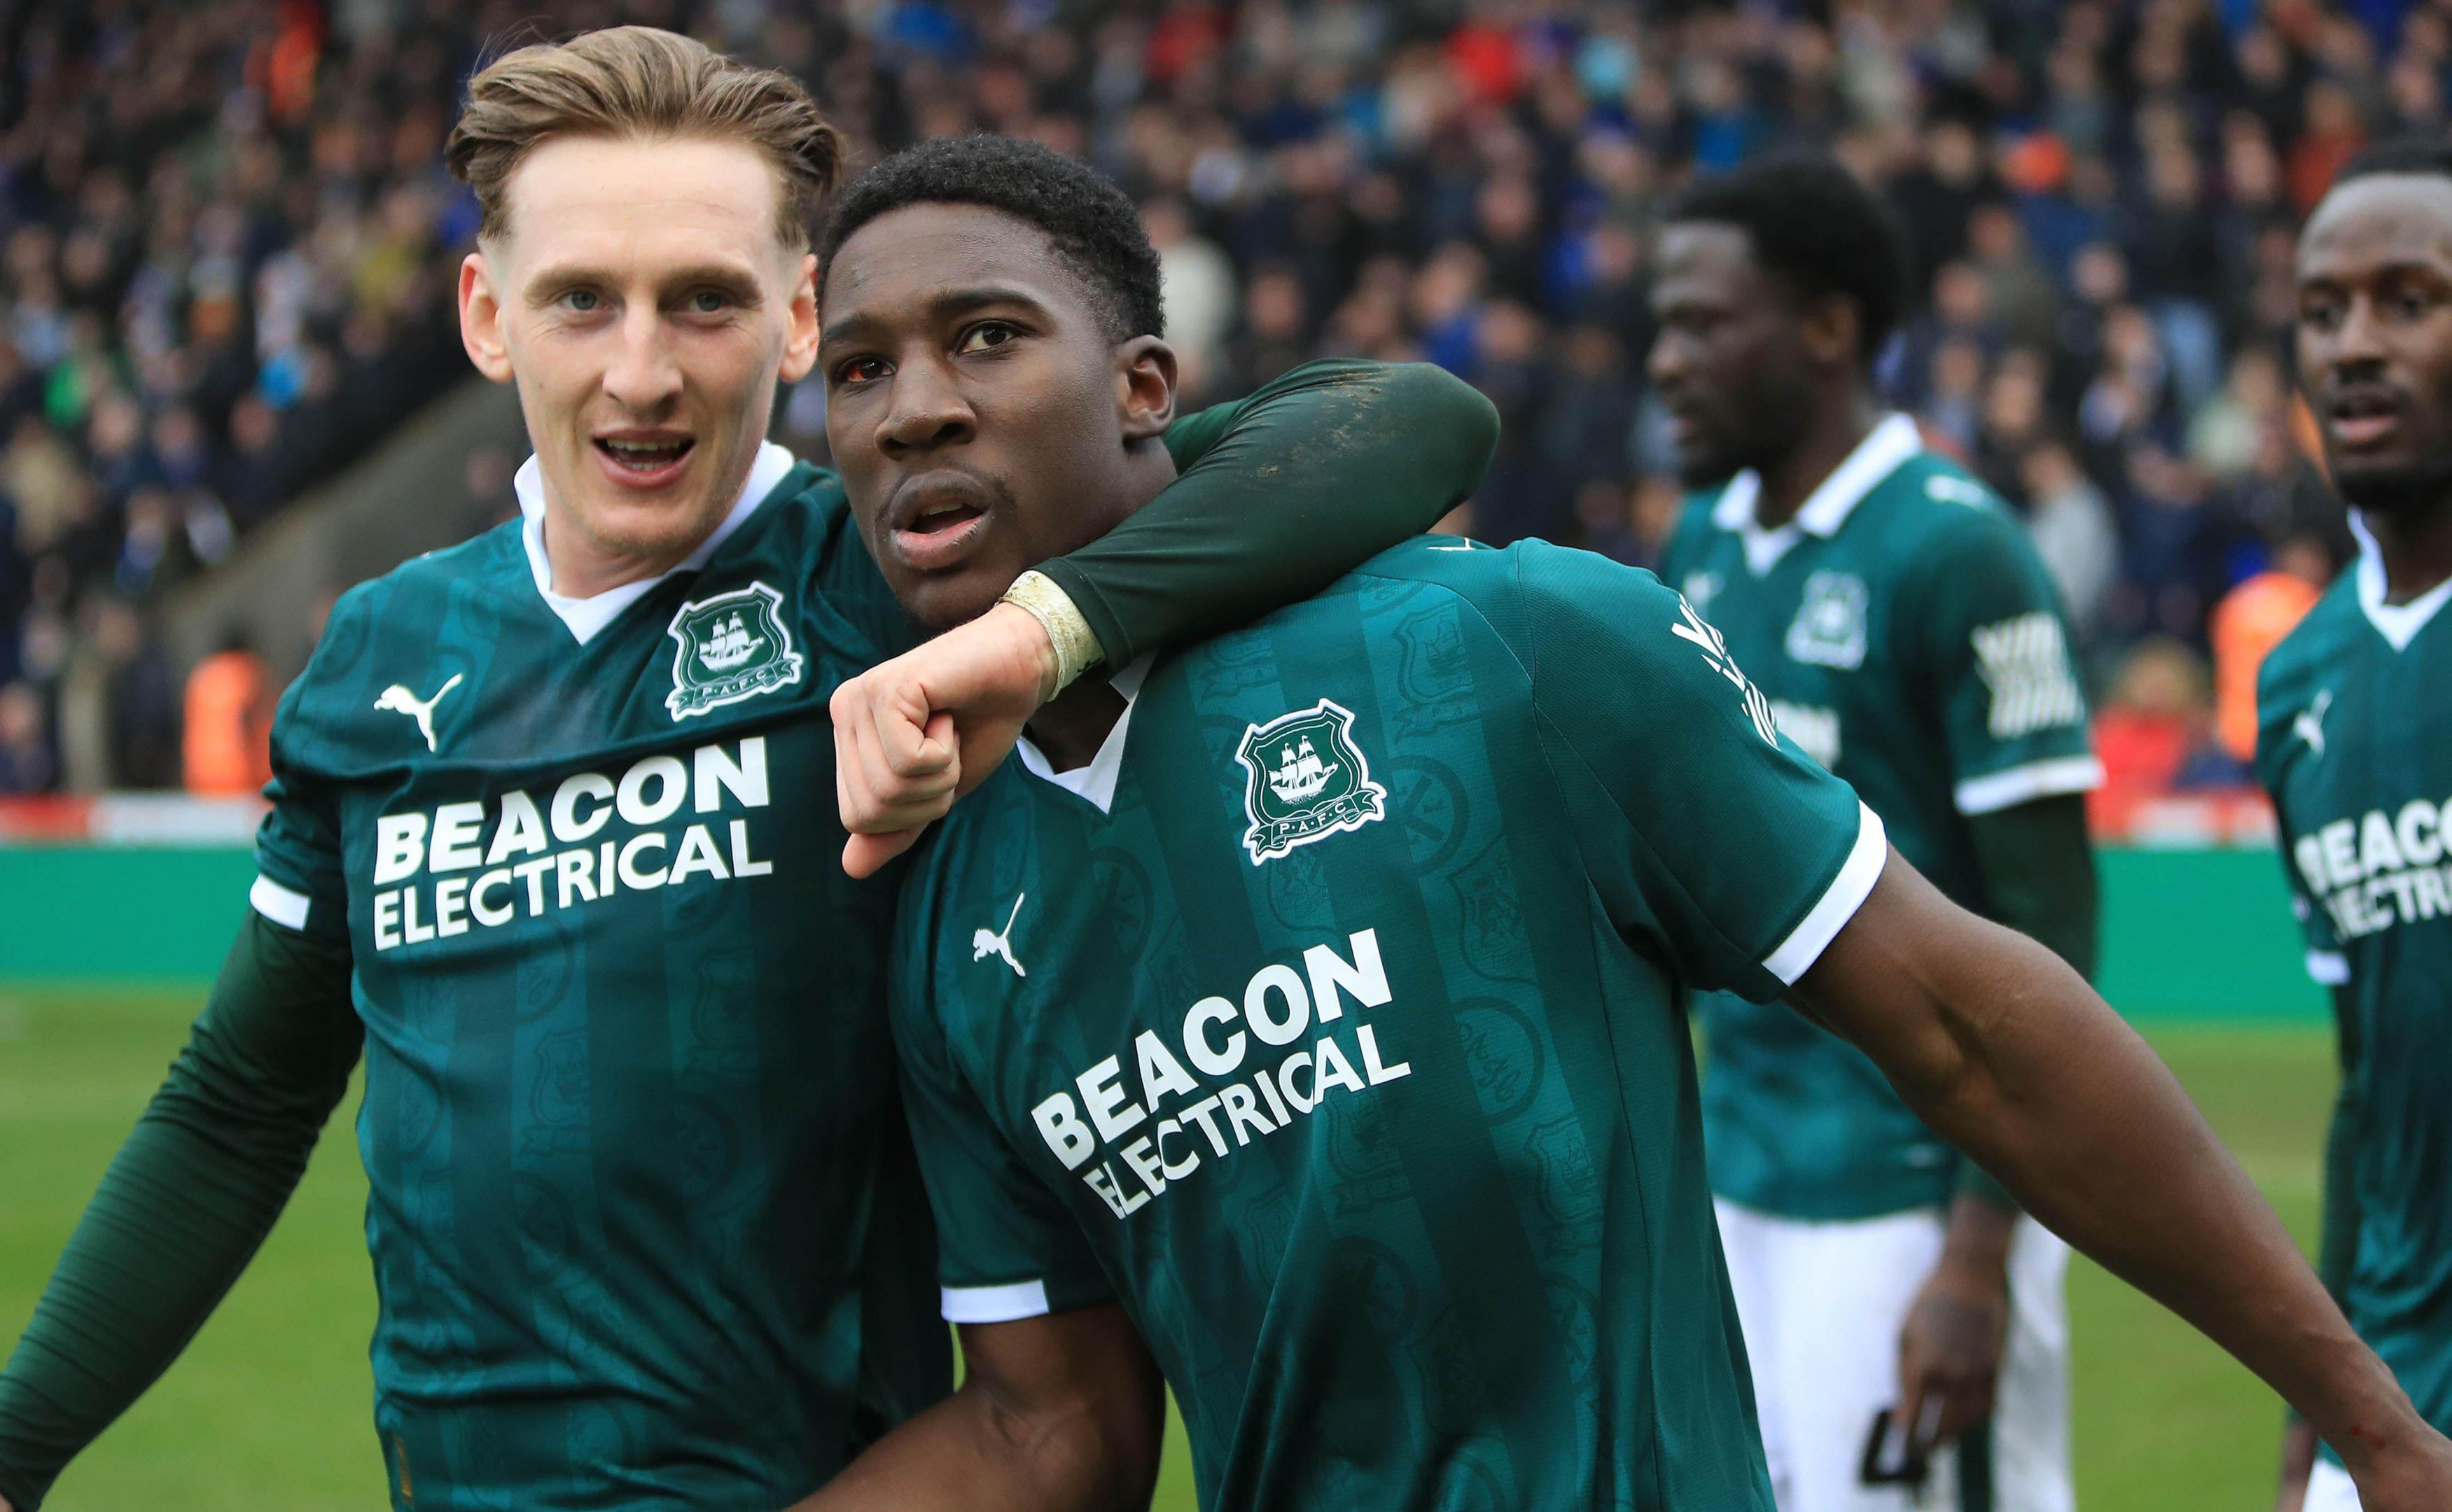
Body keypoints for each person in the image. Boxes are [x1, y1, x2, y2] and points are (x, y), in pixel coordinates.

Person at [0, 29, 1497, 1512]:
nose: (644, 372)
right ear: (485, 315)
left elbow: (1406, 421)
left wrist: (1030, 639)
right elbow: (240, 1100)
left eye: (705, 302)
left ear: (800, 319)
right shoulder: (379, 657)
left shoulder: (896, 576)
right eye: (582, 301)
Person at [802, 133, 2452, 1512]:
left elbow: (1965, 1024)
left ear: (1148, 384)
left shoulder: (1503, 648)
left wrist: (2374, 1427)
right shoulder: (946, 905)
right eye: (860, 368)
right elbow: (1052, 1422)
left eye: (989, 338)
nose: (912, 409)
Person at [1646, 154, 2101, 1512]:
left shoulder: (1957, 552)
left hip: (1913, 1192)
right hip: (1744, 1171)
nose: (1665, 363)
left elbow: (2048, 926)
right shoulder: (1700, 547)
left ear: (1829, 330)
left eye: (1705, 326)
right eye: (1661, 326)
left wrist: (1979, 1256)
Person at [2259, 136, 2452, 1512]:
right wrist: (2309, 1417)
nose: (2355, 346)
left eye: (2411, 299)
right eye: (2324, 312)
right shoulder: (2298, 684)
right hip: (2387, 1410)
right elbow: (2365, 1089)